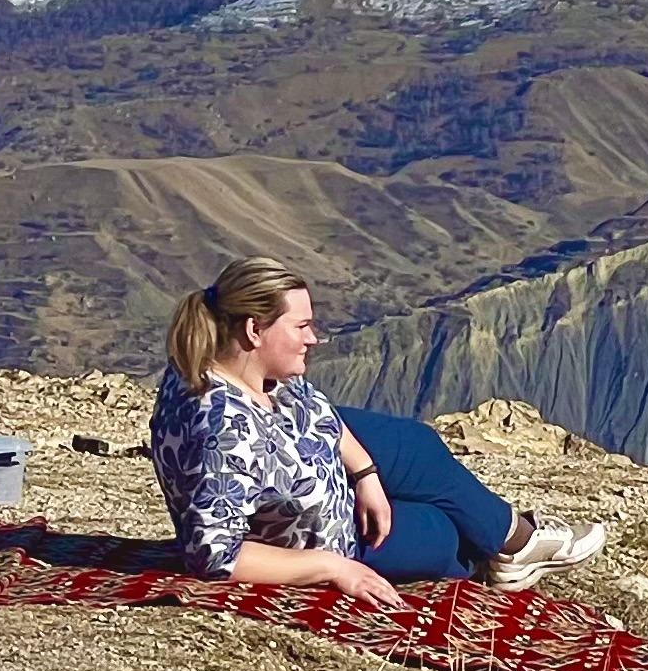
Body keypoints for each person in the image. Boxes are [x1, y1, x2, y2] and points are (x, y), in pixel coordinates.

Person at [149, 256, 605, 605]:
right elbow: (215, 556)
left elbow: (318, 414)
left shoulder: (239, 367)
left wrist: (366, 473)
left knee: (418, 446)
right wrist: (331, 567)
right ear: (254, 330)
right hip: (323, 534)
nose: (315, 338)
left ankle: (513, 540)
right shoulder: (224, 434)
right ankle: (505, 551)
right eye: (302, 326)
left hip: (308, 465)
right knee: (445, 534)